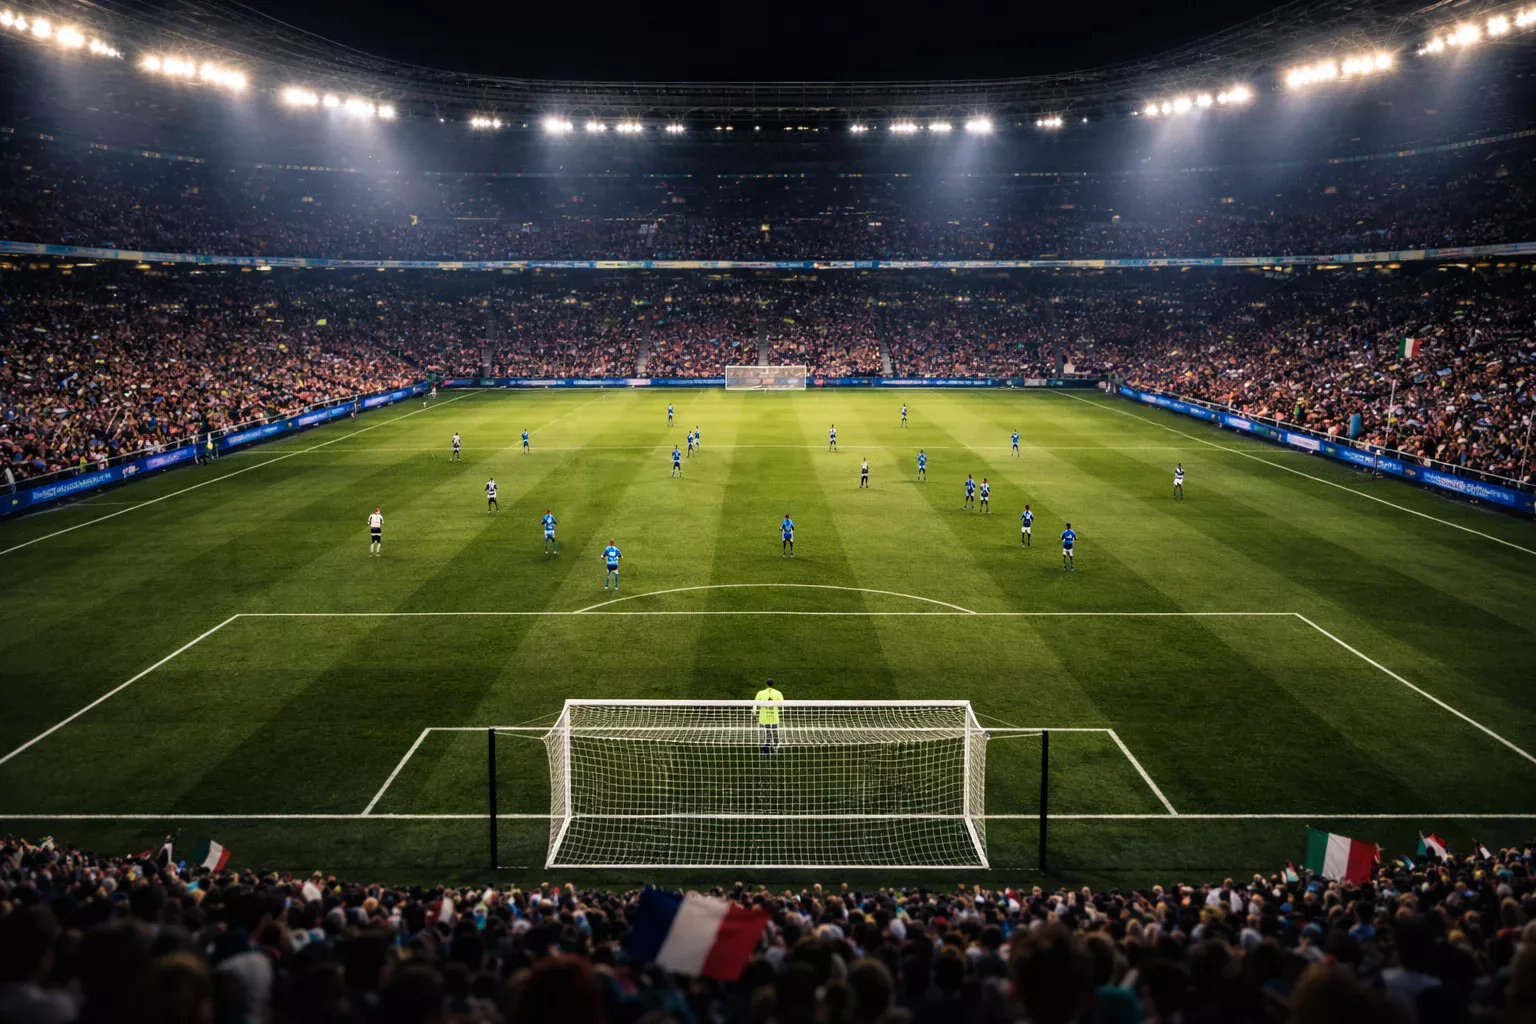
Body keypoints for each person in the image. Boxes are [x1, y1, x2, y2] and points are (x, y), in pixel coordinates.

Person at [755, 678, 784, 757]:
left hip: (764, 718)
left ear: (766, 684)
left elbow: (755, 704)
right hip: (774, 717)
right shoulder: (778, 693)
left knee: (766, 734)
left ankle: (766, 752)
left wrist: (755, 714)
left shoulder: (760, 693)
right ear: (773, 684)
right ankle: (775, 748)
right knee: (775, 733)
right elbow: (782, 704)